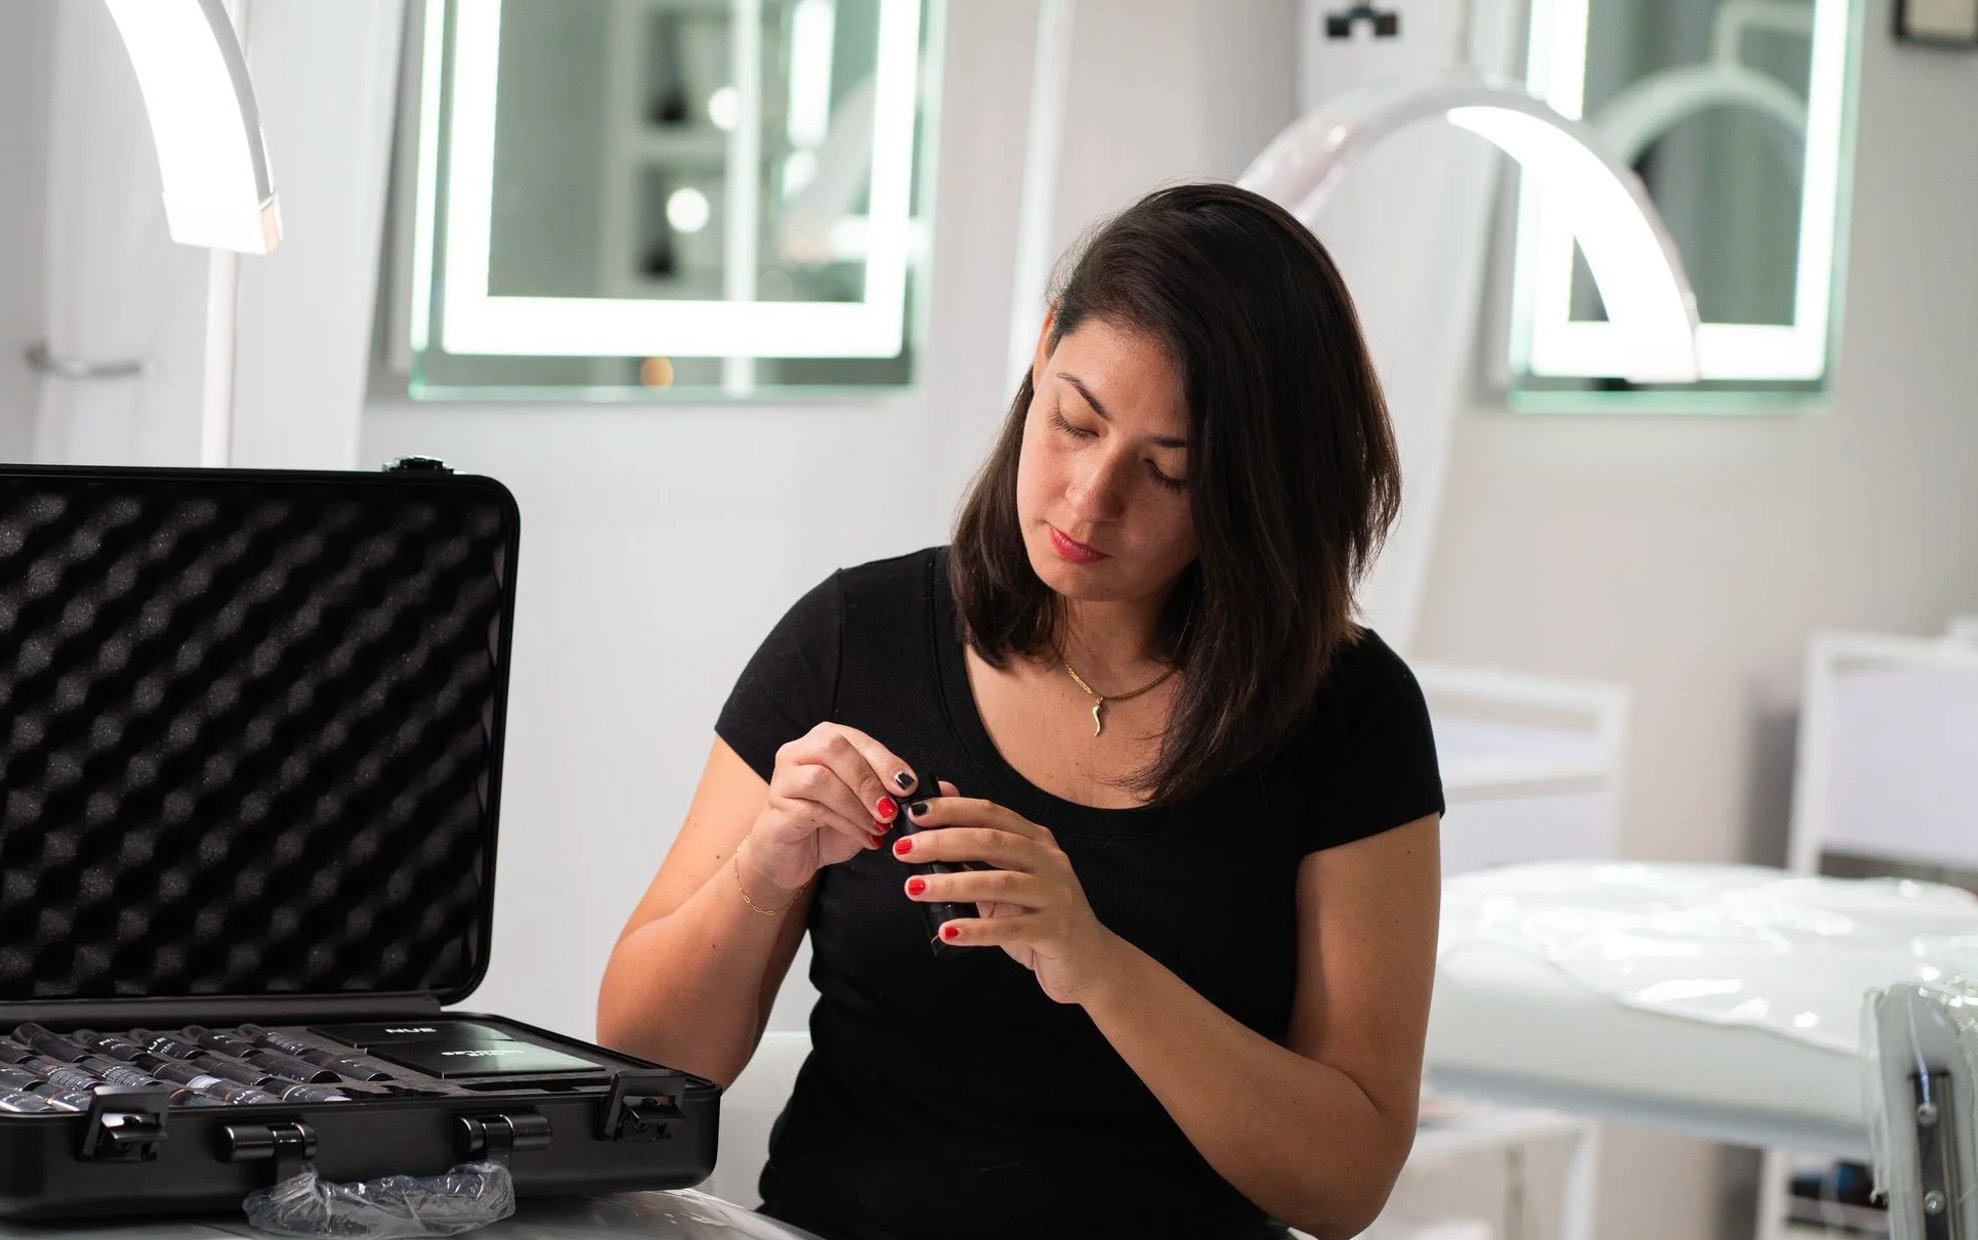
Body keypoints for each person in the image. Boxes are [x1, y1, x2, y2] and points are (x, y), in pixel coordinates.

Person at [594, 182, 1443, 1240]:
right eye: (1075, 421)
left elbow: (1344, 1180)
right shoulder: (856, 637)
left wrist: (1093, 960)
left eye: (1169, 473)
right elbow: (640, 1069)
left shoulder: (1348, 715)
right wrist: (763, 870)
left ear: (1257, 490)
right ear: (1041, 353)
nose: (1089, 499)